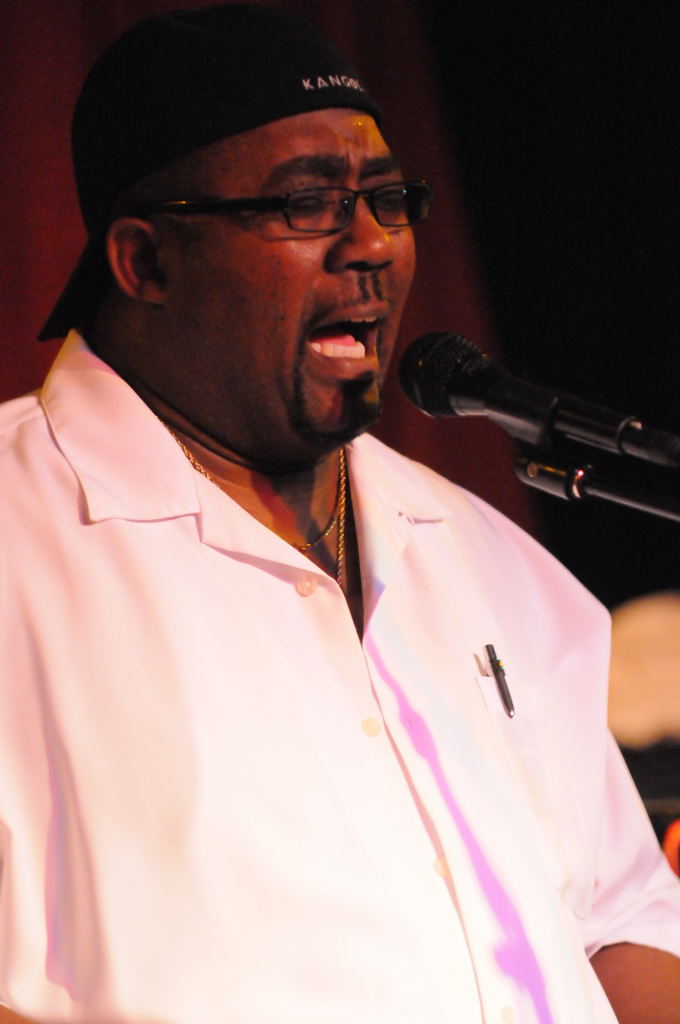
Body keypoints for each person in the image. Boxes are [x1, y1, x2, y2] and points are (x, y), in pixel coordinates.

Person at [1, 5, 679, 1023]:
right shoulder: (20, 540)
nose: (371, 244)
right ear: (143, 262)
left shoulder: (479, 552)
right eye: (305, 203)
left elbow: (615, 922)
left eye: (387, 199)